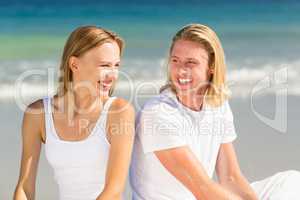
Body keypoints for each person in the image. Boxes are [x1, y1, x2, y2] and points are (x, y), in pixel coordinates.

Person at [129, 23, 300, 200]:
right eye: (175, 60)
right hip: (202, 195)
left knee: (292, 180)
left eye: (191, 62)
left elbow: (230, 177)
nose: (181, 70)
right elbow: (203, 189)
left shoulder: (216, 104)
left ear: (211, 66)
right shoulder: (158, 114)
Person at [14, 26, 135, 200]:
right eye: (104, 65)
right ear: (74, 64)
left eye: (116, 65)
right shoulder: (38, 114)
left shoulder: (119, 112)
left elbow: (113, 191)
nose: (113, 75)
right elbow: (25, 186)